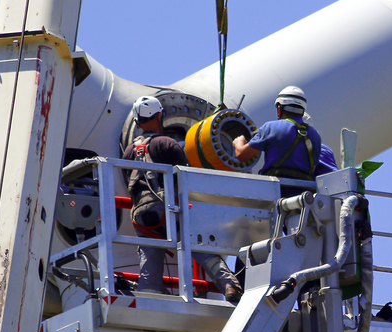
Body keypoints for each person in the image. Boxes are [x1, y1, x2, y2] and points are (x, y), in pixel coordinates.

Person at [121, 96, 243, 302]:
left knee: (149, 255)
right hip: (167, 209)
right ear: (159, 115)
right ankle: (229, 285)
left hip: (141, 216)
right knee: (198, 244)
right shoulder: (167, 143)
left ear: (138, 121)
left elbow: (128, 182)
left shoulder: (128, 152)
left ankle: (149, 297)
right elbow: (184, 179)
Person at [233, 86, 322, 195]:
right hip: (304, 196)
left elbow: (242, 155)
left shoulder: (270, 127)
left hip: (275, 192)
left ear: (280, 108)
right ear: (303, 110)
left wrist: (238, 143)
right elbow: (312, 168)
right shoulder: (315, 136)